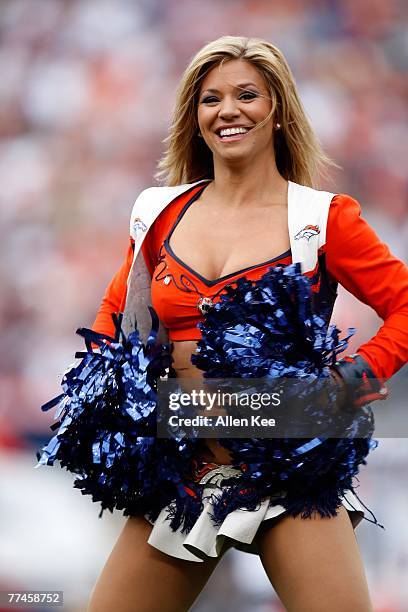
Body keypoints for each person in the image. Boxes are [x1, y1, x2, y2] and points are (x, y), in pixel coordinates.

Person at [87, 36, 408, 612]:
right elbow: (112, 325)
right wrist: (121, 407)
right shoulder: (156, 214)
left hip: (288, 468)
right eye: (210, 99)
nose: (228, 110)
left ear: (278, 110)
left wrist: (348, 385)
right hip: (182, 471)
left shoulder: (322, 219)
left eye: (247, 95)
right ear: (196, 116)